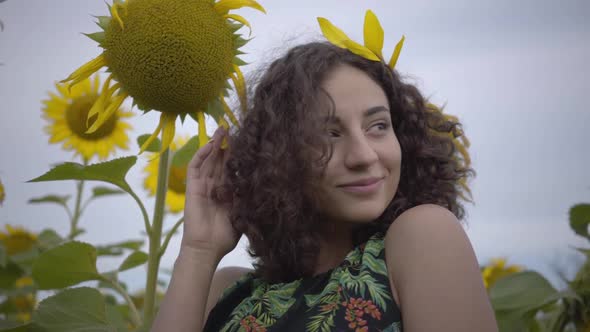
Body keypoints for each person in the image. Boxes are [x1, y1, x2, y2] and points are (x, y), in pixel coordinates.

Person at [152, 12, 498, 332]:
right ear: (280, 157)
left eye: (378, 125)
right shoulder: (228, 290)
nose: (363, 156)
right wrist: (198, 251)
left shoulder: (422, 236)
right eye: (329, 134)